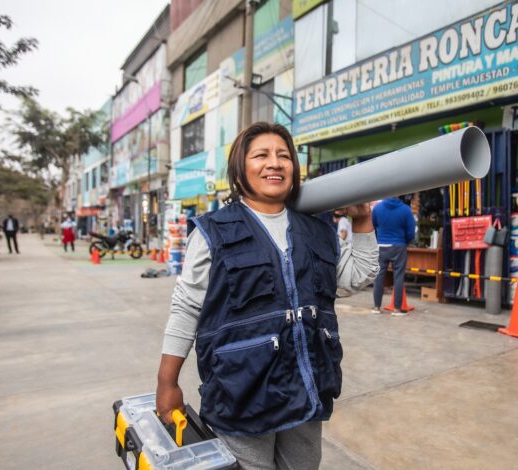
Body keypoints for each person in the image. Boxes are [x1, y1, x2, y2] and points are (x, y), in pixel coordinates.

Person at [156, 122, 379, 469]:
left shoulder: (317, 230)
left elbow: (354, 277)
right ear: (240, 168)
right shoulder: (213, 231)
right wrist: (166, 382)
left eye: (284, 156)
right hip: (243, 394)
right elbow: (186, 308)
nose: (274, 163)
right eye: (261, 155)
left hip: (306, 387)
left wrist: (363, 221)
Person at [371, 196, 416, 316]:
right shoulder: (405, 210)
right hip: (398, 245)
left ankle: (376, 307)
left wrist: (378, 239)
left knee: (379, 276)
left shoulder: (377, 209)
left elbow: (373, 226)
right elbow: (411, 232)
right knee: (398, 276)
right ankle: (396, 309)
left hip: (381, 245)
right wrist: (405, 241)